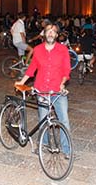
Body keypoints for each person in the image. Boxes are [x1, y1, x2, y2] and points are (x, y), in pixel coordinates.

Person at [15, 22, 71, 156]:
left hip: (57, 90)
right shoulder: (38, 49)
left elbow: (66, 70)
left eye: (53, 31)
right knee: (43, 118)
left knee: (63, 120)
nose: (51, 33)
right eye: (48, 31)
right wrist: (21, 82)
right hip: (41, 90)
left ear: (57, 35)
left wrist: (62, 83)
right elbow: (32, 68)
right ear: (44, 34)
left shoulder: (63, 50)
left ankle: (67, 149)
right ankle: (44, 144)